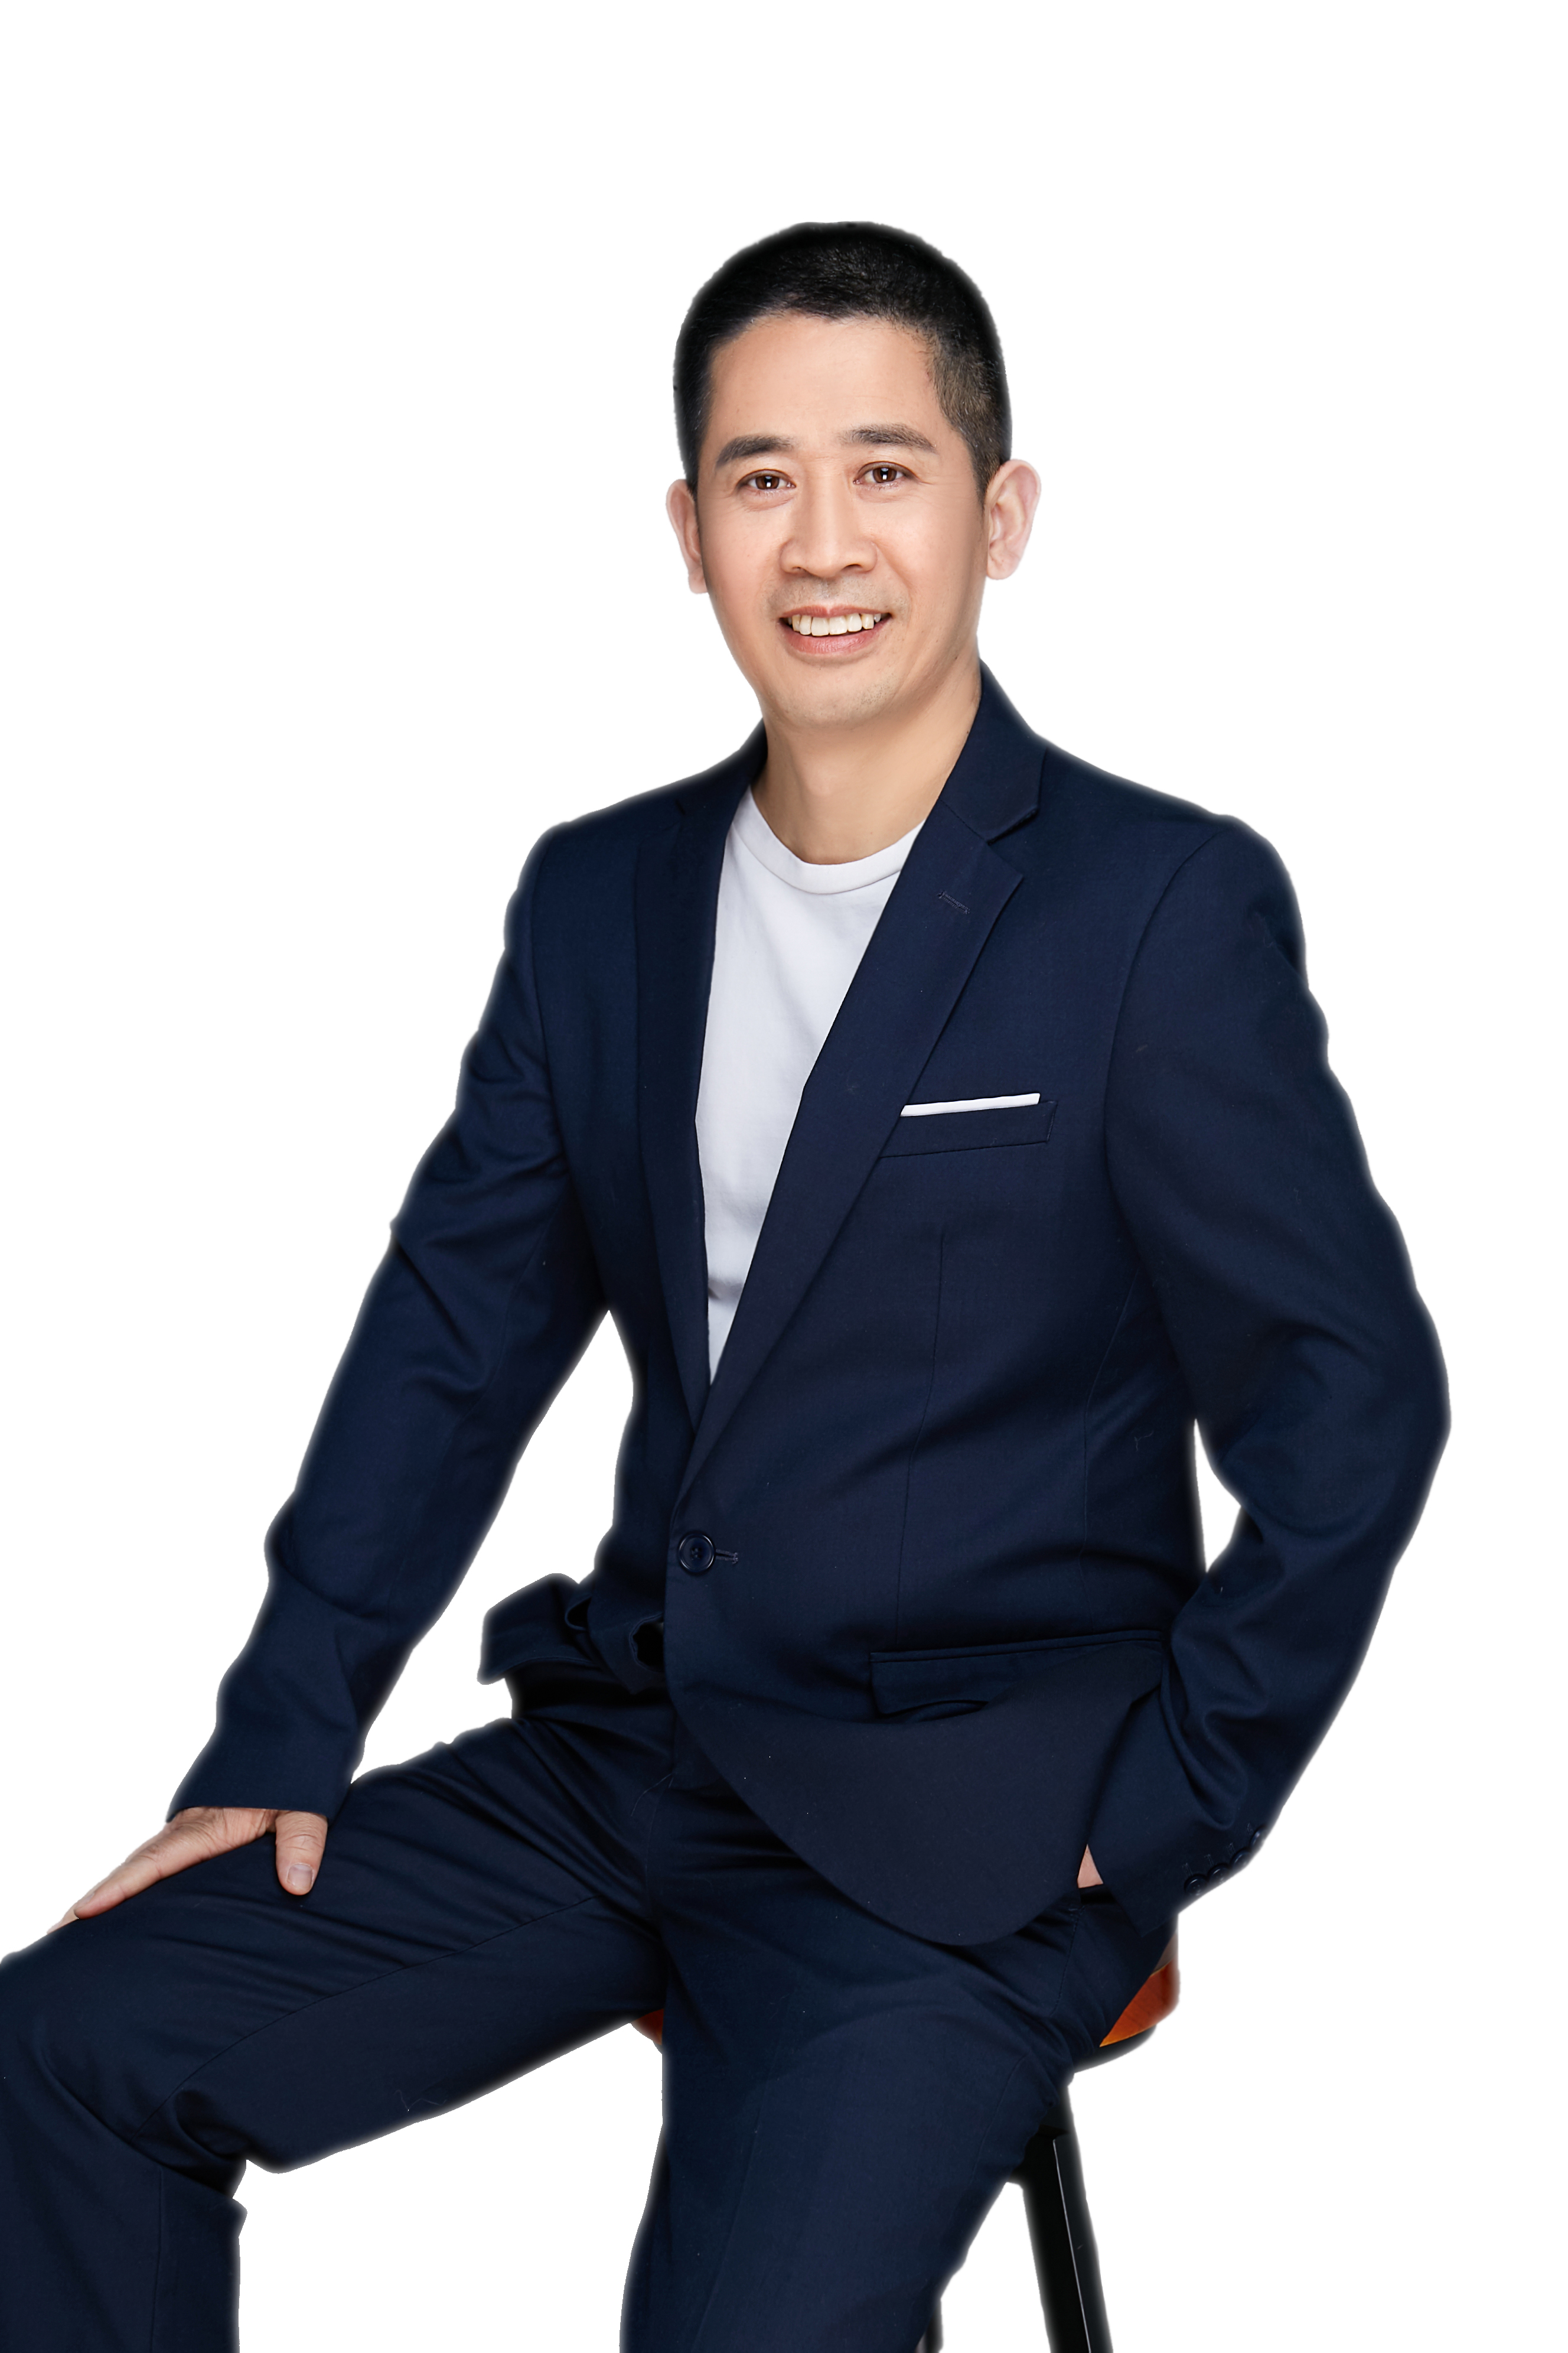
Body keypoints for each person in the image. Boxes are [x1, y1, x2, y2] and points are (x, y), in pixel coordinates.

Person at [0, 221, 1446, 2351]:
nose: (823, 540)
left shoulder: (1155, 907)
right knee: (65, 2053)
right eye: (764, 478)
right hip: (639, 1750)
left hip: (974, 1821)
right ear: (690, 534)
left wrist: (1169, 1801)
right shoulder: (600, 900)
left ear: (999, 514)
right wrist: (283, 1726)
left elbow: (1352, 1395)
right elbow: (452, 1342)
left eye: (887, 470)